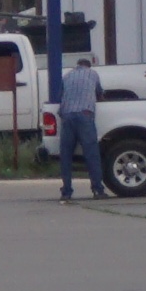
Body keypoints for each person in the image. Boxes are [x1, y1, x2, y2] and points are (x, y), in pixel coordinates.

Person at [58, 56, 106, 202]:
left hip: (67, 116)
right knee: (91, 155)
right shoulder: (93, 74)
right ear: (88, 66)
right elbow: (100, 94)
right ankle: (97, 189)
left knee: (66, 156)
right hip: (85, 115)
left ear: (77, 65)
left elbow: (61, 96)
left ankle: (66, 192)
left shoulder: (67, 76)